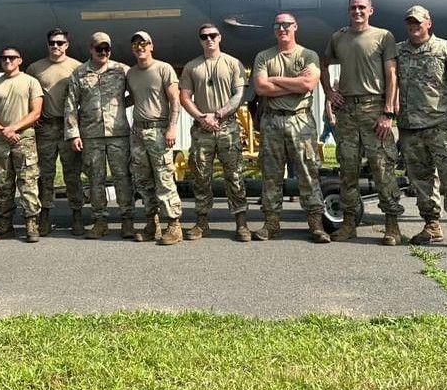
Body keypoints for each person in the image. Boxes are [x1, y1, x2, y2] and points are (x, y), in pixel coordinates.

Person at [396, 5, 447, 251]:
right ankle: (431, 224)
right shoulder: (399, 52)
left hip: (442, 127)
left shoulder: (446, 49)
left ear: (428, 23)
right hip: (411, 128)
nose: (414, 26)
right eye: (410, 23)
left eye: (418, 22)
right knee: (420, 180)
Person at [322, 0, 403, 246]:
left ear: (371, 11)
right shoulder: (339, 37)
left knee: (382, 168)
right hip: (347, 110)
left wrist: (388, 112)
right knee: (347, 168)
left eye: (361, 8)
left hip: (374, 108)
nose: (357, 11)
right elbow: (322, 64)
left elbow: (392, 75)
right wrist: (329, 92)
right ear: (348, 11)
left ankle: (392, 225)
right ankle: (348, 223)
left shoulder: (383, 36)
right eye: (353, 8)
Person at [251, 13, 329, 242]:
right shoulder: (264, 56)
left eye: (286, 25)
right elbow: (261, 88)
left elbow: (308, 83)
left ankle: (315, 224)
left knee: (308, 172)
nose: (282, 29)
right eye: (277, 25)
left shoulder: (308, 55)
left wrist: (276, 80)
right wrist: (294, 86)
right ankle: (271, 224)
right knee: (271, 174)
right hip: (272, 120)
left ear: (295, 26)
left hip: (300, 121)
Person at [178, 23, 250, 242]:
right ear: (200, 40)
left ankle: (241, 224)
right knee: (200, 176)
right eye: (204, 36)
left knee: (235, 175)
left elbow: (239, 94)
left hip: (227, 126)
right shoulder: (192, 67)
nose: (209, 39)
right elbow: (184, 97)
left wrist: (218, 114)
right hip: (202, 129)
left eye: (213, 35)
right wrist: (201, 117)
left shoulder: (232, 63)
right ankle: (201, 223)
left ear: (220, 38)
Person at [64, 31, 133, 239]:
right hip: (91, 135)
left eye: (106, 49)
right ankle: (100, 221)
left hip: (118, 133)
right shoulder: (79, 73)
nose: (103, 52)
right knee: (95, 179)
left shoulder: (121, 70)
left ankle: (127, 220)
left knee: (123, 177)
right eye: (98, 48)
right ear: (90, 49)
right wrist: (73, 134)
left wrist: (121, 105)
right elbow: (70, 105)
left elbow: (137, 93)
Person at [125, 30, 183, 245]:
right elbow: (134, 97)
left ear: (151, 46)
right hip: (138, 132)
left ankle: (174, 225)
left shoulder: (163, 68)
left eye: (143, 43)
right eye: (135, 44)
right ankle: (152, 223)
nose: (140, 47)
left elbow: (174, 100)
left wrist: (172, 128)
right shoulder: (131, 73)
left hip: (159, 129)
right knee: (143, 180)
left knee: (164, 178)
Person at [0, 46, 44, 242]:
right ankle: (5, 226)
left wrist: (14, 129)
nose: (7, 61)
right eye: (4, 58)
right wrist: (3, 131)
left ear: (20, 60)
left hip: (24, 139)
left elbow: (35, 113)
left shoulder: (31, 82)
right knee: (3, 186)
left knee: (28, 184)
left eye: (12, 58)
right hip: (2, 142)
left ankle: (31, 225)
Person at [26, 28, 84, 235]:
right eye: (52, 42)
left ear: (67, 45)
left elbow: (83, 98)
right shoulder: (35, 69)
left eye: (60, 43)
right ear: (47, 44)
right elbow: (27, 95)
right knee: (44, 175)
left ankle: (77, 215)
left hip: (69, 128)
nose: (56, 46)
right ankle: (45, 216)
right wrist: (33, 117)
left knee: (72, 174)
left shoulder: (77, 67)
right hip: (46, 128)